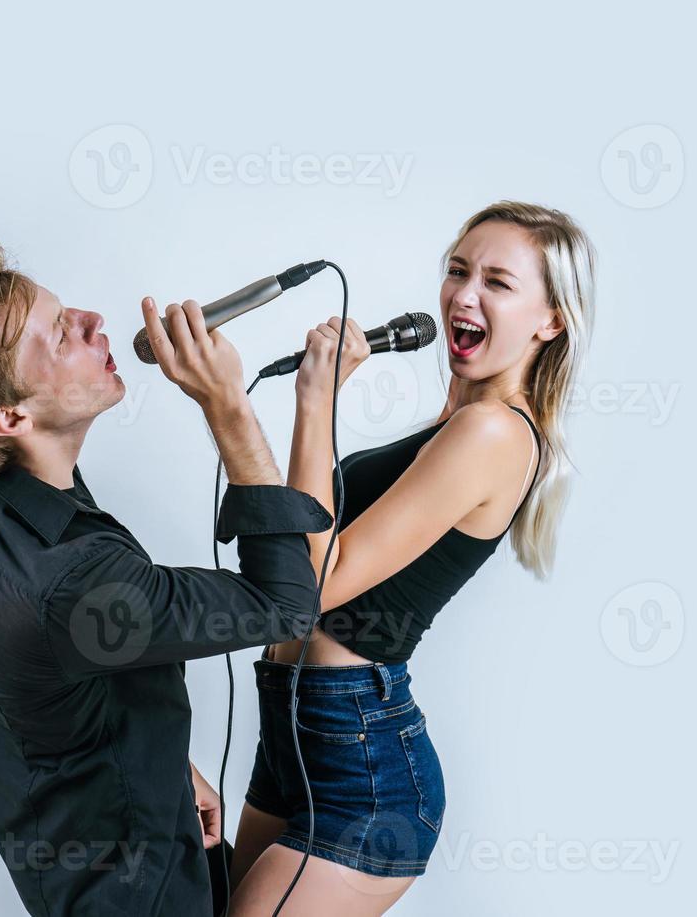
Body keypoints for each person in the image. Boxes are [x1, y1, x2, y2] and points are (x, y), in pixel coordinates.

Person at [0, 238, 334, 916]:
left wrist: (163, 765)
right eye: (59, 334)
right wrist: (227, 407)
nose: (92, 321)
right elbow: (285, 604)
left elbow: (57, 679)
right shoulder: (76, 584)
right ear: (11, 418)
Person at [228, 201, 599, 915]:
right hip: (294, 730)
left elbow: (320, 577)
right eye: (458, 271)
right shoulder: (454, 425)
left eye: (498, 281)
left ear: (550, 319)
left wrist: (316, 400)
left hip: (360, 766)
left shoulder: (493, 432)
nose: (465, 294)